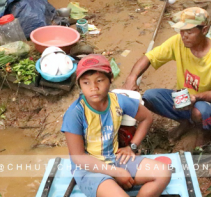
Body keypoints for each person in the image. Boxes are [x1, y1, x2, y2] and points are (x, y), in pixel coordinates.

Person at [62, 54, 171, 197]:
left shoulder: (118, 101)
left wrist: (132, 146)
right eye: (86, 83)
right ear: (80, 85)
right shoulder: (75, 113)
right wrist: (116, 172)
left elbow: (146, 118)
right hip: (89, 169)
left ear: (110, 78)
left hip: (114, 159)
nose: (93, 87)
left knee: (163, 173)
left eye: (99, 80)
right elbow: (79, 158)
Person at [123, 7, 211, 148]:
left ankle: (204, 134)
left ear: (204, 30)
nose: (184, 36)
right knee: (149, 97)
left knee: (199, 111)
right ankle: (186, 122)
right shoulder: (178, 42)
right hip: (184, 99)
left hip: (210, 107)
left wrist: (195, 98)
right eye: (181, 31)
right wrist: (132, 77)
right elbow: (149, 57)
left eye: (189, 32)